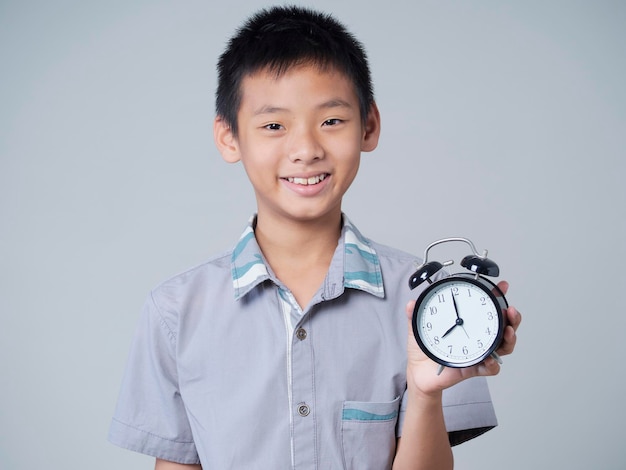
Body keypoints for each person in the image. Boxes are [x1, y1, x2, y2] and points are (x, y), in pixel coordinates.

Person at [108, 5, 522, 470]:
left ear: (368, 126)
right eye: (273, 126)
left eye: (331, 121)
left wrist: (425, 393)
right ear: (229, 138)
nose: (305, 149)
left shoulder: (427, 304)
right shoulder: (175, 312)